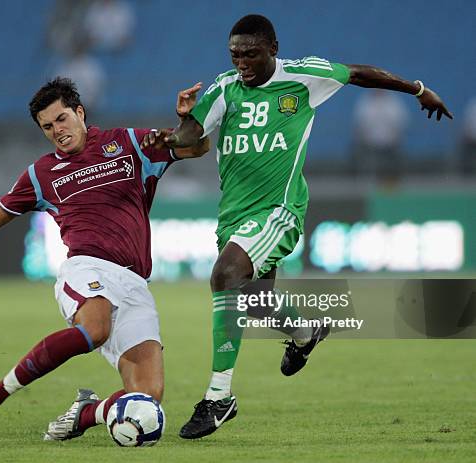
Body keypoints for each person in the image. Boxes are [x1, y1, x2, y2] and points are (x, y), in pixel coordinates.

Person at [146, 14, 453, 439]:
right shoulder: (222, 87)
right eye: (235, 55)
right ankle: (307, 334)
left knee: (225, 276)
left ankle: (219, 398)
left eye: (251, 54)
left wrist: (419, 90)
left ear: (273, 48)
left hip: (279, 208)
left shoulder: (304, 76)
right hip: (234, 213)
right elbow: (193, 134)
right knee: (255, 302)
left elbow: (360, 73)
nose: (242, 63)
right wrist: (172, 133)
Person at [0, 77, 208, 440]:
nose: (57, 131)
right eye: (48, 126)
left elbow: (198, 147)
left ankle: (86, 414)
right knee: (95, 330)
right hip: (87, 267)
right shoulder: (41, 174)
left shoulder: (129, 143)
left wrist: (188, 121)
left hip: (135, 283)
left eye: (62, 119)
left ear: (80, 113)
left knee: (146, 399)